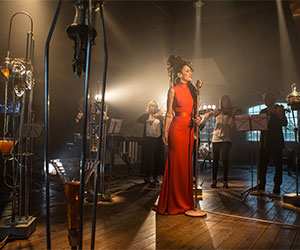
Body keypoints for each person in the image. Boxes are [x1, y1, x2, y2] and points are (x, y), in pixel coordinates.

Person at [156, 55, 203, 215]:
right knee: (177, 165)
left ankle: (185, 202)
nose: (190, 73)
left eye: (190, 71)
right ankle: (174, 203)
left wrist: (198, 119)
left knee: (186, 167)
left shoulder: (193, 90)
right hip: (177, 129)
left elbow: (195, 113)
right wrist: (165, 131)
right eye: (187, 71)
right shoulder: (173, 90)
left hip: (189, 130)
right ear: (179, 74)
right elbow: (169, 114)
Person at [257, 93, 288, 195]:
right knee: (262, 165)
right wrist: (268, 117)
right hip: (264, 142)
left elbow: (285, 123)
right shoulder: (262, 111)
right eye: (265, 99)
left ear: (273, 99)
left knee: (278, 165)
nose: (267, 101)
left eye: (269, 98)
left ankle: (277, 186)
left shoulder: (279, 109)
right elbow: (260, 126)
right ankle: (261, 185)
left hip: (276, 141)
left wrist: (279, 115)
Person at [210, 95, 236, 188]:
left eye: (226, 101)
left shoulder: (230, 114)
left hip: (226, 138)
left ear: (228, 102)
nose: (224, 103)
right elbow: (215, 124)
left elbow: (231, 126)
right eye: (223, 101)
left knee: (225, 160)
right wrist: (212, 114)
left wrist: (232, 116)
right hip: (216, 138)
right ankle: (214, 181)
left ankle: (225, 181)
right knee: (215, 160)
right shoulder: (217, 112)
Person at [137, 100, 164, 185]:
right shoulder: (145, 115)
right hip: (148, 141)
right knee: (148, 159)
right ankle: (147, 176)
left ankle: (156, 177)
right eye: (151, 106)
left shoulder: (160, 116)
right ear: (148, 107)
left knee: (157, 159)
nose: (153, 108)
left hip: (158, 141)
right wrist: (149, 118)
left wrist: (158, 115)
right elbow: (138, 120)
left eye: (154, 106)